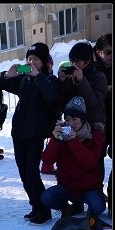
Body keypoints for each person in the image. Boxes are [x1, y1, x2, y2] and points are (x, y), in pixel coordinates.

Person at [0, 42, 59, 224]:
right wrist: (7, 74)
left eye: (36, 59)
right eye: (29, 59)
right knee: (23, 173)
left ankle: (44, 210)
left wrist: (37, 76)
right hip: (19, 133)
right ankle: (35, 206)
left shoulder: (49, 80)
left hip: (35, 134)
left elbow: (51, 96)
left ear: (44, 61)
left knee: (32, 173)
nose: (31, 62)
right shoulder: (24, 79)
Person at [40, 96, 106, 218]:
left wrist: (73, 141)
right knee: (46, 197)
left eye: (75, 119)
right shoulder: (62, 134)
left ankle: (88, 215)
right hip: (67, 187)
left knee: (99, 207)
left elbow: (89, 162)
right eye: (68, 119)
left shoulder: (95, 135)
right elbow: (47, 160)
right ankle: (68, 208)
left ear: (83, 120)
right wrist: (55, 139)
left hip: (89, 188)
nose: (71, 123)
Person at [93, 33, 112, 217]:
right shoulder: (93, 70)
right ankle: (97, 202)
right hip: (98, 124)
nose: (111, 55)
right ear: (98, 52)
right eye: (108, 52)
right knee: (95, 164)